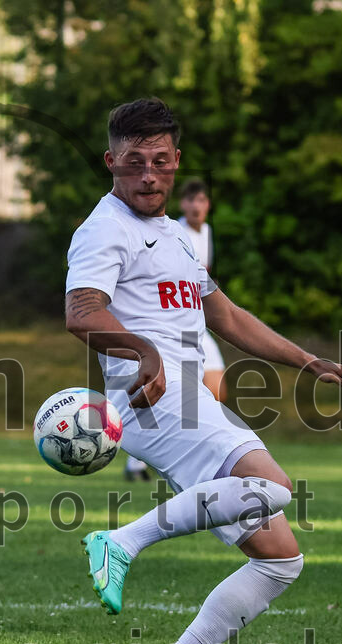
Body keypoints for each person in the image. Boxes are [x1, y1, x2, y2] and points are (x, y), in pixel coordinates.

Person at [65, 98, 342, 644]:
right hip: (155, 398)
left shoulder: (177, 236)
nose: (149, 174)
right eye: (135, 162)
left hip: (186, 396)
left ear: (177, 161)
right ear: (111, 162)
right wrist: (144, 353)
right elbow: (81, 312)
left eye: (160, 161)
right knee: (274, 487)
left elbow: (227, 316)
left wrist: (312, 362)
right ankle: (121, 542)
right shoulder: (104, 228)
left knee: (279, 561)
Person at [123, 177, 226, 481]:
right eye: (192, 200)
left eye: (202, 200)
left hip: (197, 324)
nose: (197, 206)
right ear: (183, 204)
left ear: (208, 205)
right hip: (175, 326)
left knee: (215, 390)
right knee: (176, 393)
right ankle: (141, 461)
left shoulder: (207, 232)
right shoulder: (174, 232)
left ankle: (186, 449)